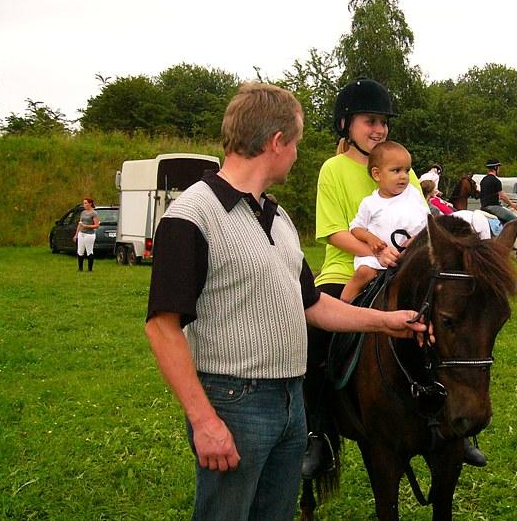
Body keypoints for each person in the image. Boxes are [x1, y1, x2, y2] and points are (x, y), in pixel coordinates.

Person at [144, 83, 429, 521]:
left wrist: (385, 321)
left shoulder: (276, 217)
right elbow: (162, 327)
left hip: (291, 400)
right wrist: (204, 421)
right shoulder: (191, 216)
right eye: (295, 143)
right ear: (277, 143)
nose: (297, 153)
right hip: (235, 401)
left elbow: (312, 304)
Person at [304, 79, 485, 477]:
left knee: (453, 326)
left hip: (404, 269)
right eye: (370, 121)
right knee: (314, 338)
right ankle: (316, 431)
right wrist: (375, 250)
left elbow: (424, 224)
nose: (379, 129)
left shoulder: (404, 169)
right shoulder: (333, 171)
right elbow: (334, 231)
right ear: (345, 124)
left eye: (383, 122)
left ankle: (460, 427)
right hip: (348, 270)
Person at [340, 141, 429, 303]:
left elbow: (428, 222)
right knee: (363, 273)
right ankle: (343, 306)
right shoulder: (371, 203)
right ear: (377, 174)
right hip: (376, 257)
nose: (403, 176)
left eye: (406, 171)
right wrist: (370, 238)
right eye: (396, 170)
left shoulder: (413, 194)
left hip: (409, 256)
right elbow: (356, 228)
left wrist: (418, 239)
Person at [479, 159, 517, 225]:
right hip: (493, 208)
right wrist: (512, 204)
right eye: (498, 167)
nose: (499, 169)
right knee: (515, 220)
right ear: (495, 167)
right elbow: (502, 196)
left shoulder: (483, 180)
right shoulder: (496, 181)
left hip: (483, 207)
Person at [72, 197, 99, 272]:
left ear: (90, 204)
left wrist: (86, 226)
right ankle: (80, 268)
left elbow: (97, 225)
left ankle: (90, 269)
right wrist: (76, 234)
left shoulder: (94, 213)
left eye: (86, 203)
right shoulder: (83, 212)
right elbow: (80, 224)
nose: (84, 204)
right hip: (82, 234)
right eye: (84, 203)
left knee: (89, 251)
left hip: (89, 235)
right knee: (80, 251)